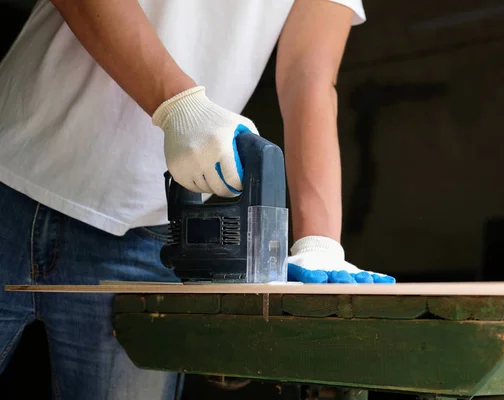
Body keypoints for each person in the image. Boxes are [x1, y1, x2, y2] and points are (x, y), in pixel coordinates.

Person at [0, 0, 394, 398]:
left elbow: (308, 78)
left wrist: (319, 244)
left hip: (146, 226)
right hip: (13, 168)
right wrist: (179, 105)